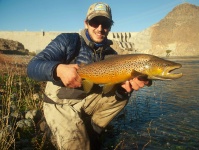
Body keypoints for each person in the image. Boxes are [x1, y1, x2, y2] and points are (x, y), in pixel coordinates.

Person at [27, 2, 151, 150]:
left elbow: (112, 92)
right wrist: (58, 69)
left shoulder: (112, 56)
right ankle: (53, 126)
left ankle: (91, 132)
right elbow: (32, 66)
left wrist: (123, 90)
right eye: (95, 22)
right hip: (59, 103)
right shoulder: (68, 41)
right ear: (86, 23)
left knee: (122, 97)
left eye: (105, 23)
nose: (100, 28)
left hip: (86, 99)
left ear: (110, 26)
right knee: (78, 146)